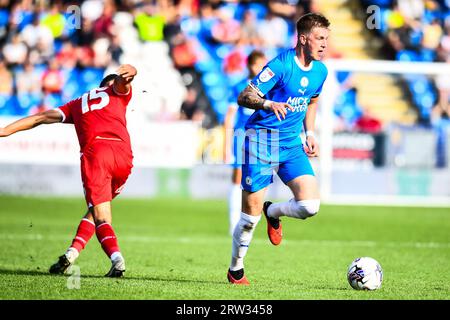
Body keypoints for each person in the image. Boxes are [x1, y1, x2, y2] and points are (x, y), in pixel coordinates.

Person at [0, 64, 137, 278]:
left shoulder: (77, 104)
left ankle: (117, 260)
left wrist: (5, 130)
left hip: (97, 154)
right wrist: (129, 74)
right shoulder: (116, 93)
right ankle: (71, 254)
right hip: (124, 156)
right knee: (97, 211)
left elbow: (40, 118)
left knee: (101, 217)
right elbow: (123, 82)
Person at [227, 13, 330, 285]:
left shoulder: (321, 71)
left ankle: (273, 212)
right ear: (303, 38)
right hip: (261, 140)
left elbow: (312, 101)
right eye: (320, 39)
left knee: (310, 205)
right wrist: (268, 104)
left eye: (326, 39)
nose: (324, 45)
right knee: (249, 219)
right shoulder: (281, 66)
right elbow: (244, 96)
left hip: (290, 144)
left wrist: (309, 133)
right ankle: (236, 268)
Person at [223, 50, 267, 235]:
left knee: (259, 180)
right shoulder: (240, 86)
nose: (262, 68)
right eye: (259, 65)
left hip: (263, 137)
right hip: (242, 136)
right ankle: (235, 223)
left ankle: (251, 220)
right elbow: (230, 116)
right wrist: (225, 145)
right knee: (238, 178)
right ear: (250, 65)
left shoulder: (268, 87)